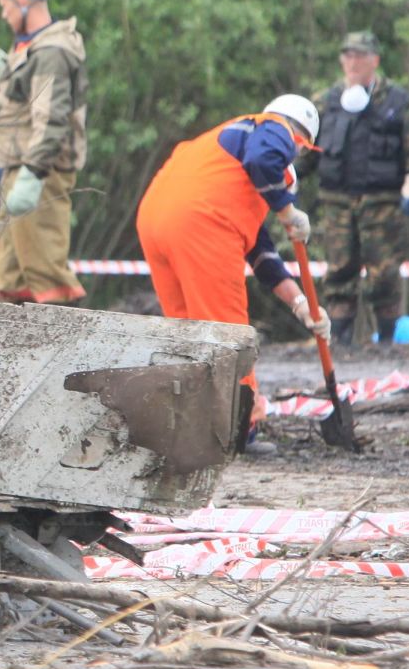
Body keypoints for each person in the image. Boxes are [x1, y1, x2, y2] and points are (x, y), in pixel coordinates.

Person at [137, 95, 331, 456]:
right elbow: (265, 158)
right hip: (201, 223)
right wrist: (288, 211)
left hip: (156, 217)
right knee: (227, 332)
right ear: (301, 143)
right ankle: (240, 428)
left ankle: (189, 426)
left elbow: (262, 255)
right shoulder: (273, 128)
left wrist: (301, 303)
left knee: (186, 331)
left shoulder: (224, 164)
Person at [295, 31, 409, 345]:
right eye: (348, 55)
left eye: (360, 56)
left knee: (384, 275)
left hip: (382, 203)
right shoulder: (325, 102)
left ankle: (386, 340)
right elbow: (304, 148)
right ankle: (341, 341)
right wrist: (288, 179)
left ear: (375, 60)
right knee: (339, 272)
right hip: (337, 204)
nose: (353, 62)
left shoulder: (398, 101)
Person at [0, 0, 88, 305]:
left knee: (47, 277)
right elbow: (21, 101)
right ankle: (18, 353)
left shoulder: (51, 52)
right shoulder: (31, 49)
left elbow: (50, 119)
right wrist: (5, 73)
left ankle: (67, 353)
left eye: (5, 5)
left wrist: (32, 175)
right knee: (13, 277)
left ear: (22, 1)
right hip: (18, 170)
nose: (3, 14)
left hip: (40, 174)